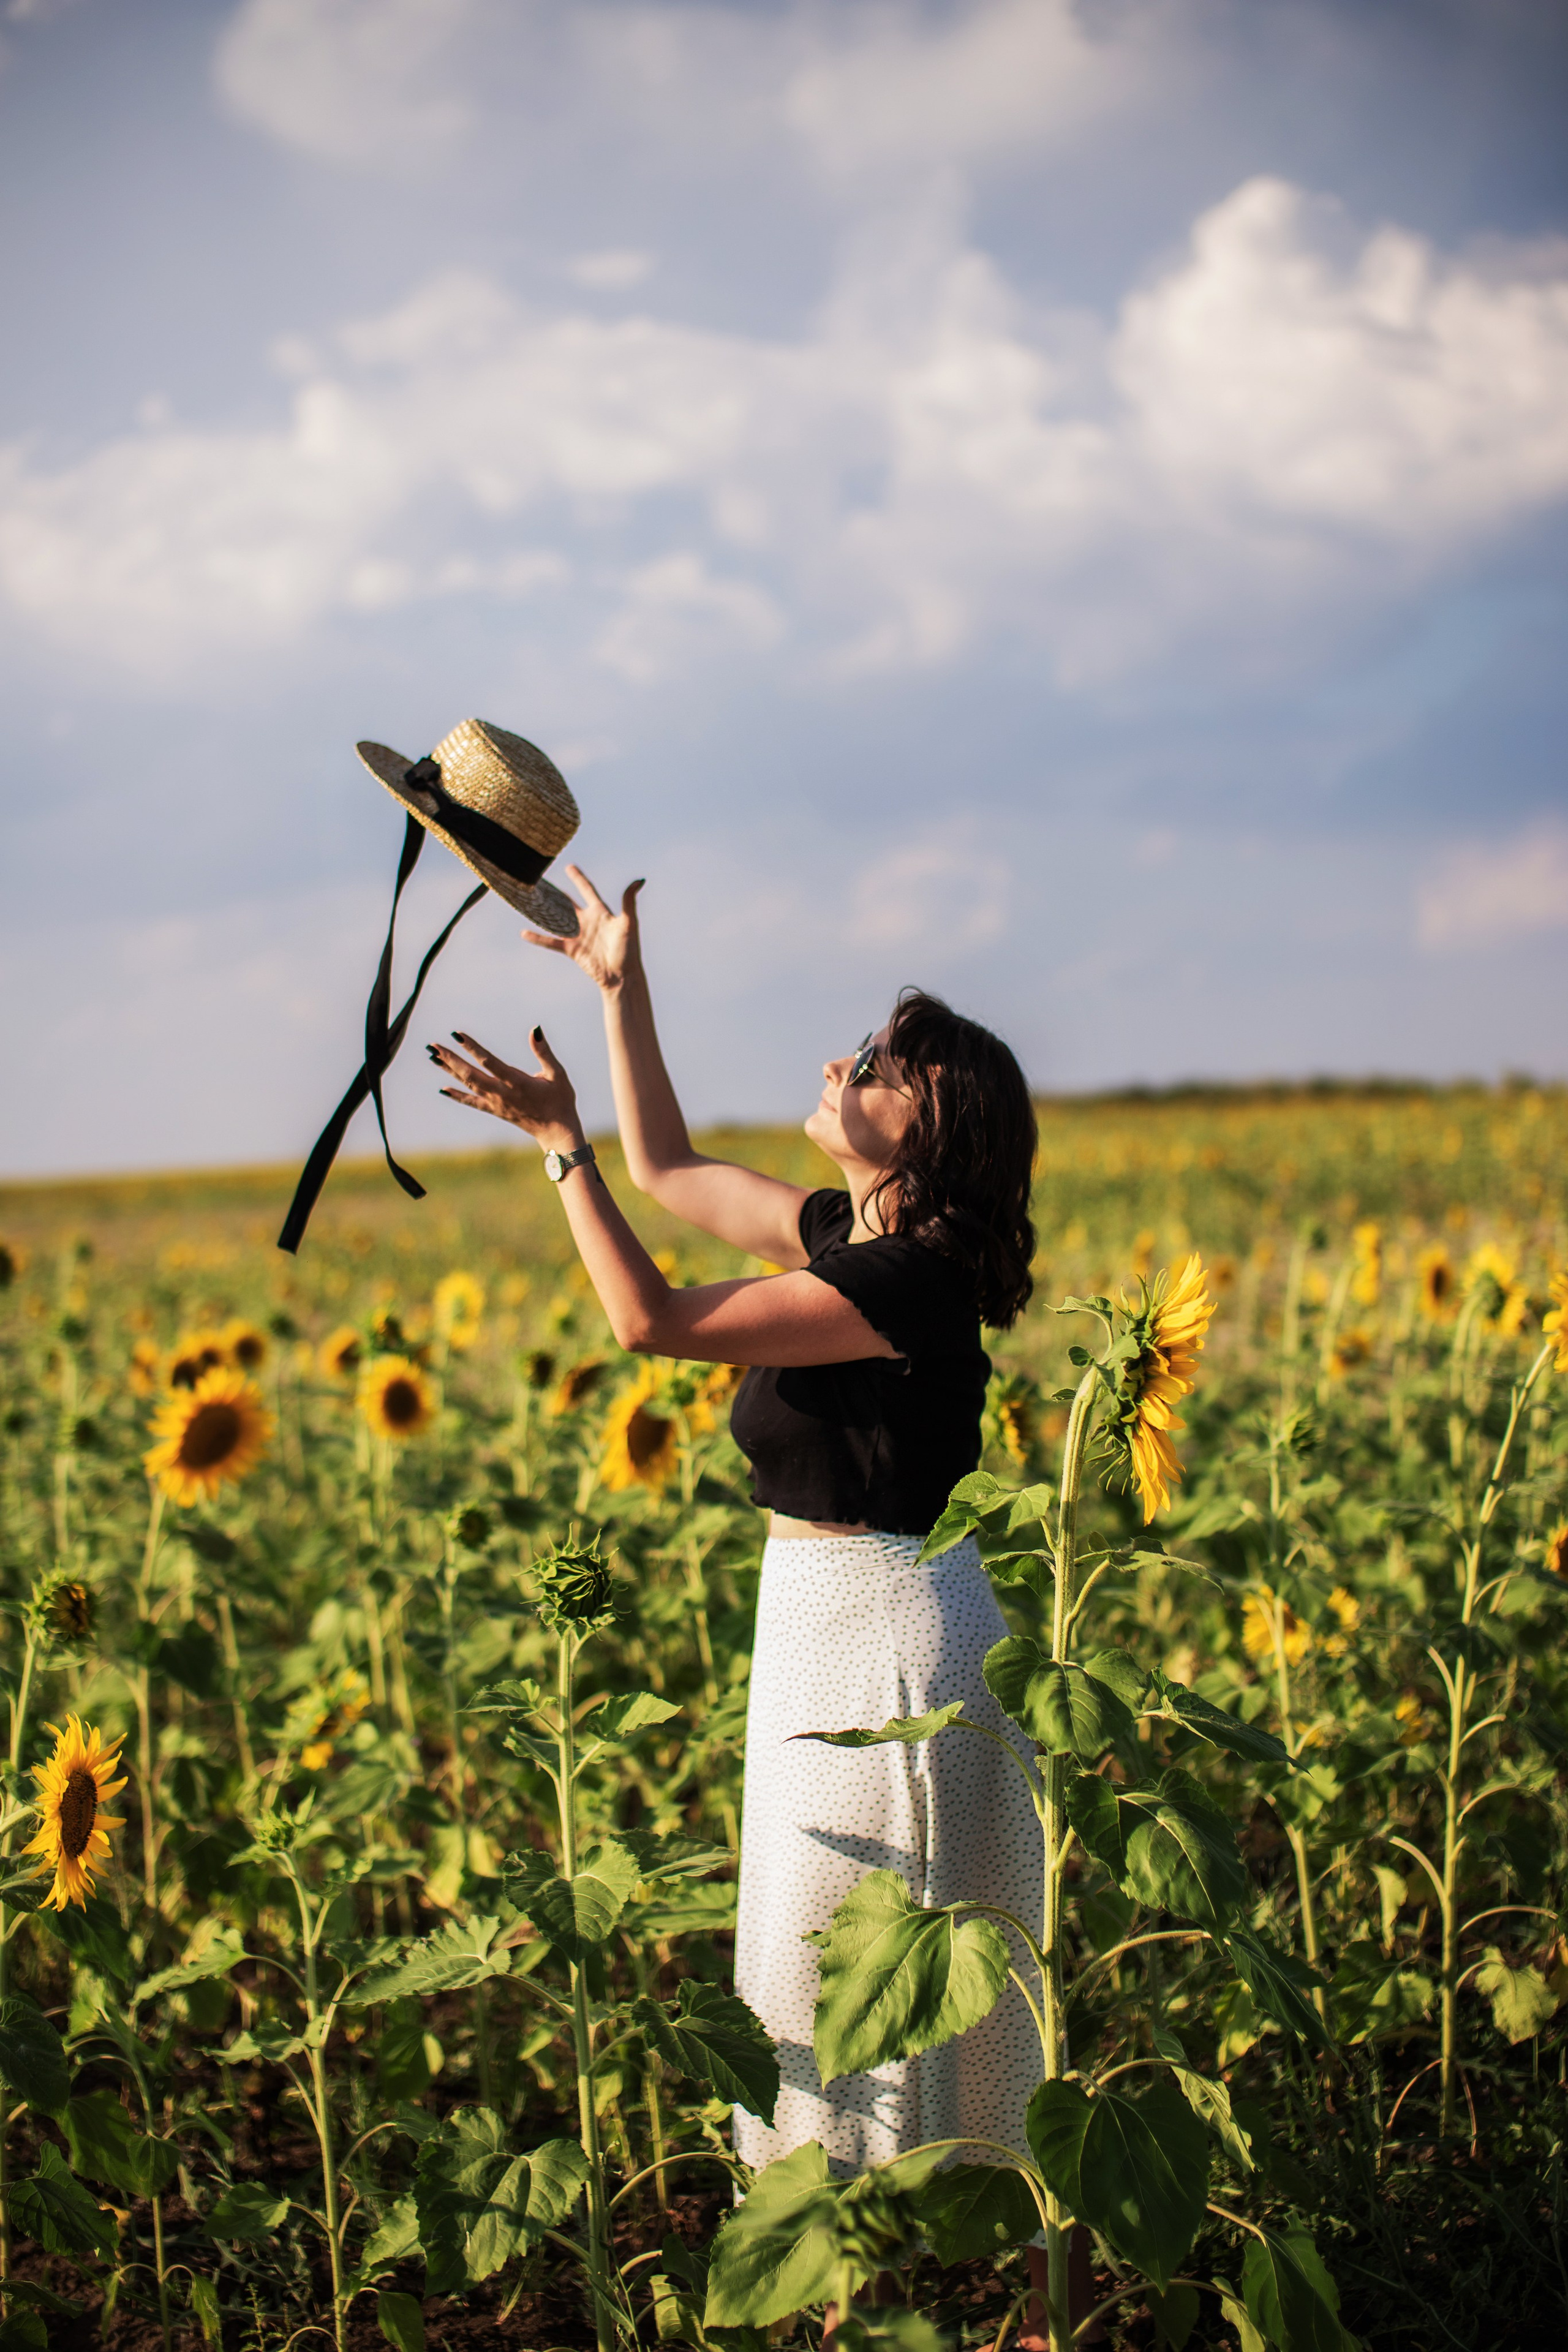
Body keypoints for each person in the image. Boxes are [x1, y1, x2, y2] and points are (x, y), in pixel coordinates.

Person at [428, 869, 1093, 2350]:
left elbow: (650, 1318)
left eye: (874, 1066)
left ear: (932, 1132)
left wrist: (554, 1157)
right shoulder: (844, 1242)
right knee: (812, 1965)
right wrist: (617, 987)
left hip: (894, 1637)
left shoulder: (907, 1283)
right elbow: (666, 1165)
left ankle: (1013, 2311)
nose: (834, 1067)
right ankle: (863, 2295)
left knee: (865, 1965)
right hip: (815, 1625)